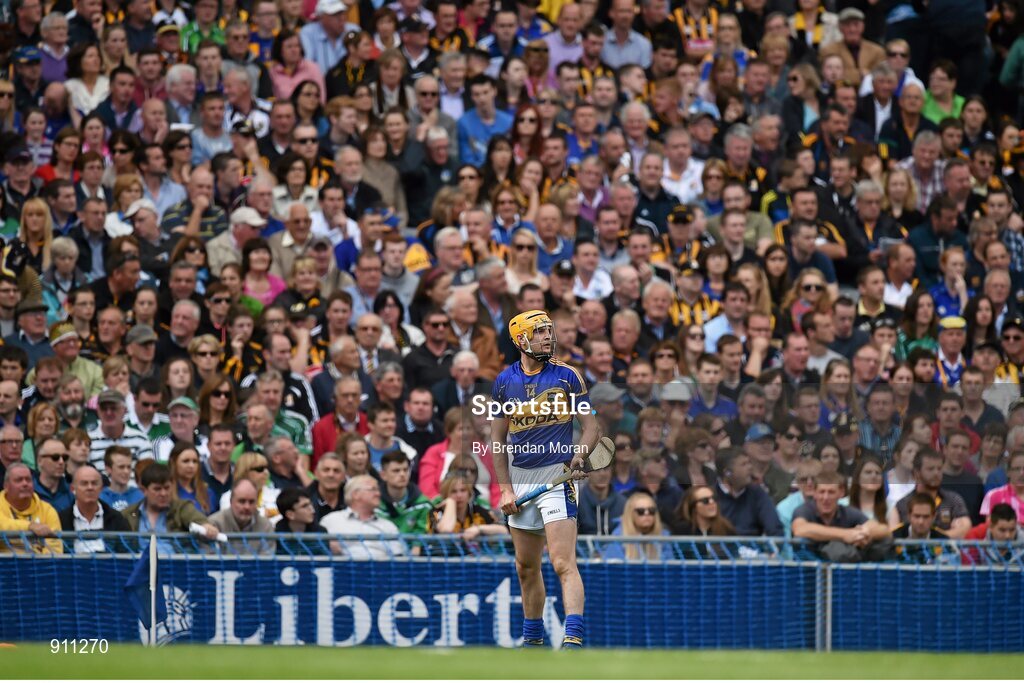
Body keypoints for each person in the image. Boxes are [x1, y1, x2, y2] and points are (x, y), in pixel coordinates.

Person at [492, 309, 599, 648]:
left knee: (562, 561)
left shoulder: (568, 376)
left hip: (557, 476)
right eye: (538, 332)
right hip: (521, 477)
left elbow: (592, 428)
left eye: (548, 331)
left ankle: (573, 638)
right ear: (521, 339)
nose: (547, 337)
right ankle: (533, 641)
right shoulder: (503, 382)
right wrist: (505, 488)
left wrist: (579, 454)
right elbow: (497, 441)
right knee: (526, 566)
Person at [792, 471, 892, 561]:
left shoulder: (847, 512)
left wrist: (864, 532)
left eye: (831, 492)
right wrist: (845, 535)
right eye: (822, 492)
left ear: (841, 493)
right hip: (807, 572)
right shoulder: (804, 509)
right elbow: (800, 529)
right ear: (815, 493)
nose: (825, 498)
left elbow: (884, 529)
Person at [319, 474, 407, 560]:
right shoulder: (331, 521)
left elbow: (398, 558)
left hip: (379, 572)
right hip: (341, 571)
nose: (378, 494)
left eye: (378, 490)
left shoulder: (388, 526)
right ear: (355, 494)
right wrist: (328, 545)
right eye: (373, 489)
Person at [0, 462, 62, 554]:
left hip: (39, 566)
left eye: (28, 480)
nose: (25, 484)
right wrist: (30, 526)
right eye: (19, 480)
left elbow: (55, 549)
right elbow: (2, 524)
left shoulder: (47, 510)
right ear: (6, 486)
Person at [209, 478, 276, 555]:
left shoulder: (266, 526)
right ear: (231, 501)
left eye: (251, 502)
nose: (247, 507)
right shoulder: (214, 524)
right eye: (242, 501)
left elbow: (267, 562)